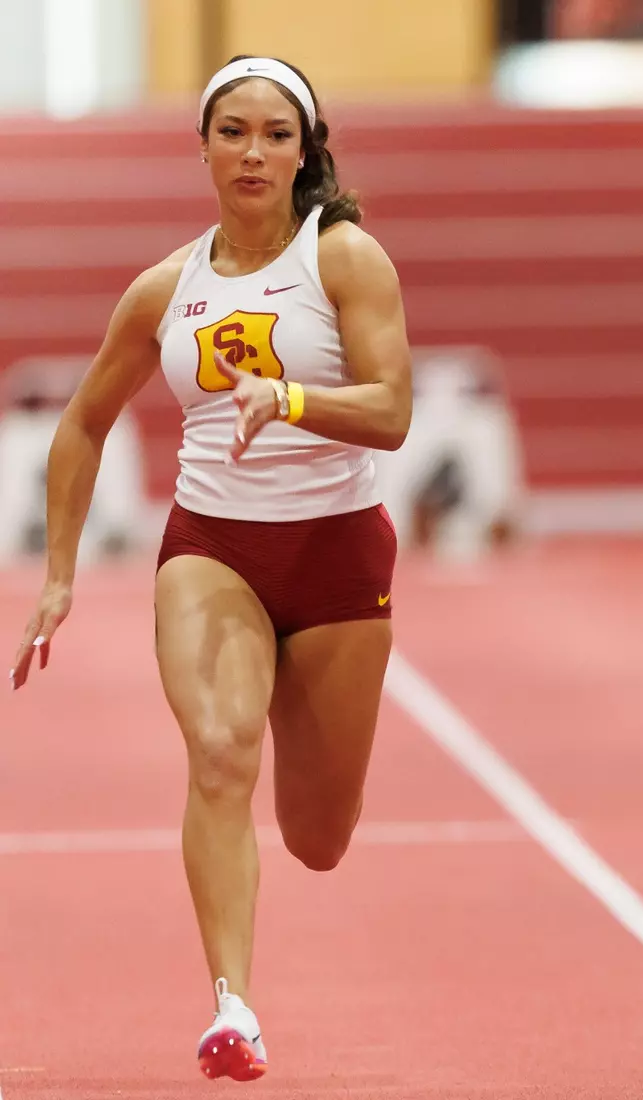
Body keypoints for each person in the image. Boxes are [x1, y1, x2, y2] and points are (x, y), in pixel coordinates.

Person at [8, 55, 412, 1080]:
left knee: (319, 834)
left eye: (277, 134)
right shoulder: (166, 288)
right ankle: (233, 1004)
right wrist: (57, 576)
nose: (253, 152)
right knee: (222, 750)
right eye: (233, 131)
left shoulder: (346, 259)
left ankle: (293, 724)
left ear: (306, 151)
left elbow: (395, 411)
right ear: (202, 146)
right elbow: (83, 424)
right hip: (214, 548)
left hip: (335, 548)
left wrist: (290, 400)